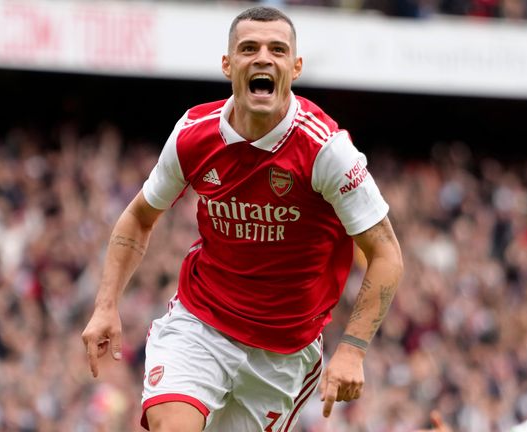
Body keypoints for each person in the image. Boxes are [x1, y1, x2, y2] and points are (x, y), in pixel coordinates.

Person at [81, 5, 404, 432]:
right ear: (228, 64)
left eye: (278, 49)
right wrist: (106, 306)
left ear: (296, 66)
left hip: (282, 354)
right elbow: (139, 217)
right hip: (202, 324)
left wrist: (353, 349)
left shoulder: (326, 150)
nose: (263, 58)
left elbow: (386, 254)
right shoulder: (194, 134)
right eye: (249, 48)